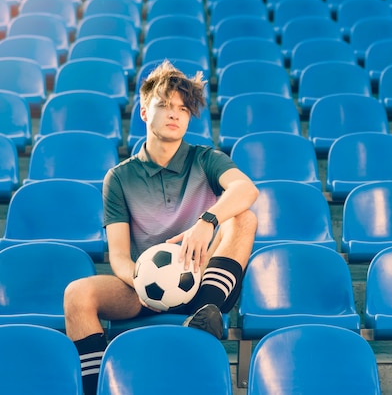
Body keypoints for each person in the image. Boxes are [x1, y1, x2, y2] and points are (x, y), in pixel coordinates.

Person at [63, 59, 259, 395]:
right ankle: (97, 389)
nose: (174, 114)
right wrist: (143, 281)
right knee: (77, 294)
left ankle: (204, 310)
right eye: (164, 105)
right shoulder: (119, 178)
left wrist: (206, 221)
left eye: (183, 109)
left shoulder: (205, 158)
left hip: (201, 278)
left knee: (243, 217)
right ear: (143, 112)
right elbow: (120, 257)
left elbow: (246, 189)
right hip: (144, 289)